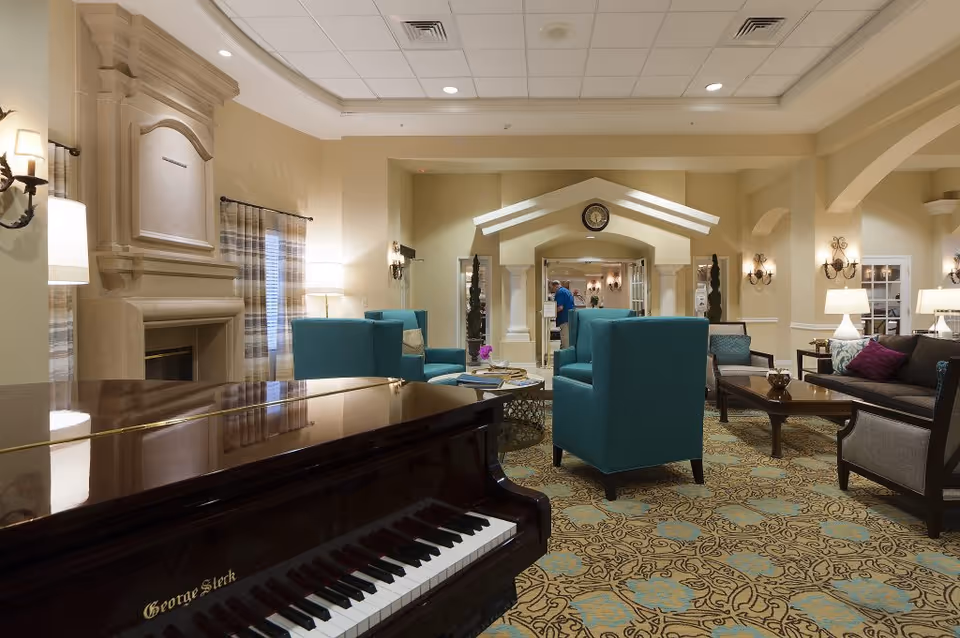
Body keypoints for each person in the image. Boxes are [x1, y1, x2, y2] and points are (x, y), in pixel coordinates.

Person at [551, 280, 575, 349]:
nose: (553, 290)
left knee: (565, 338)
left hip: (564, 318)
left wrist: (551, 313)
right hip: (569, 317)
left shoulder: (560, 292)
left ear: (555, 286)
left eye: (553, 288)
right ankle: (565, 352)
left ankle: (565, 355)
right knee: (567, 337)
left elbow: (560, 307)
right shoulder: (566, 291)